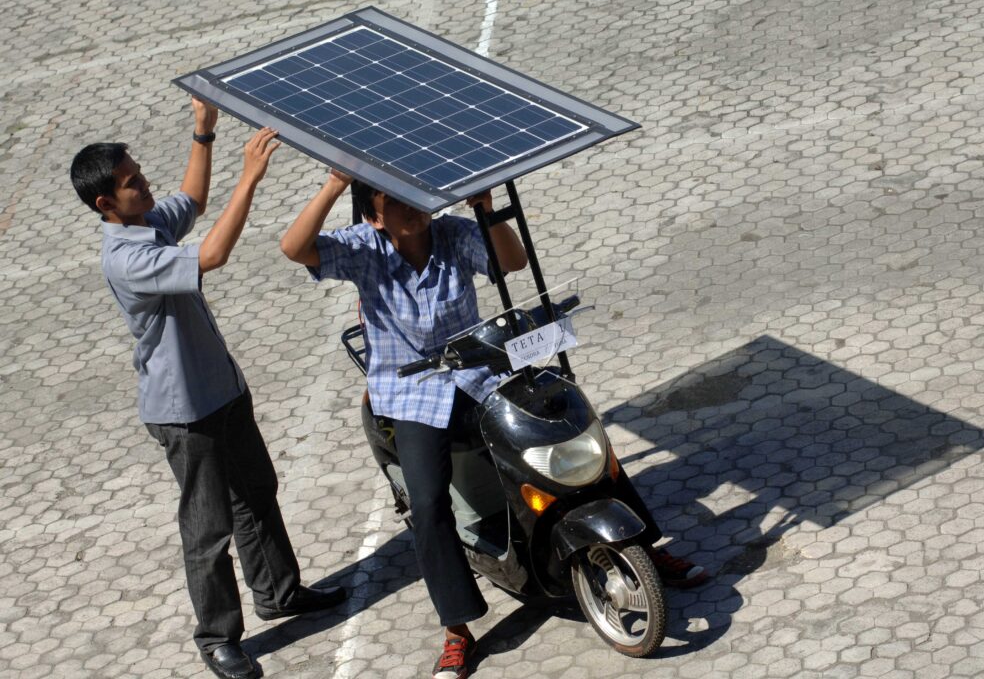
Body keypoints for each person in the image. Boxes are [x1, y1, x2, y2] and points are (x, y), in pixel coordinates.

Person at [280, 169, 709, 679]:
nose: (412, 207)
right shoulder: (362, 248)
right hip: (413, 394)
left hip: (478, 374)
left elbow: (512, 261)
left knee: (570, 441)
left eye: (415, 195)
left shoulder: (452, 234)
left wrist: (486, 210)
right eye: (394, 201)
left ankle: (646, 549)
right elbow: (294, 248)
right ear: (374, 216)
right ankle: (456, 628)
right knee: (429, 505)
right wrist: (333, 185)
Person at [70, 99, 347, 679]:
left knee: (258, 493)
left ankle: (280, 593)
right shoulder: (126, 257)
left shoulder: (145, 223)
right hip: (184, 412)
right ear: (105, 205)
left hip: (222, 390)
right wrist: (250, 177)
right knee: (208, 528)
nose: (145, 184)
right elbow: (213, 254)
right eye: (132, 182)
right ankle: (217, 638)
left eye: (139, 173)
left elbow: (193, 201)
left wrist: (204, 132)